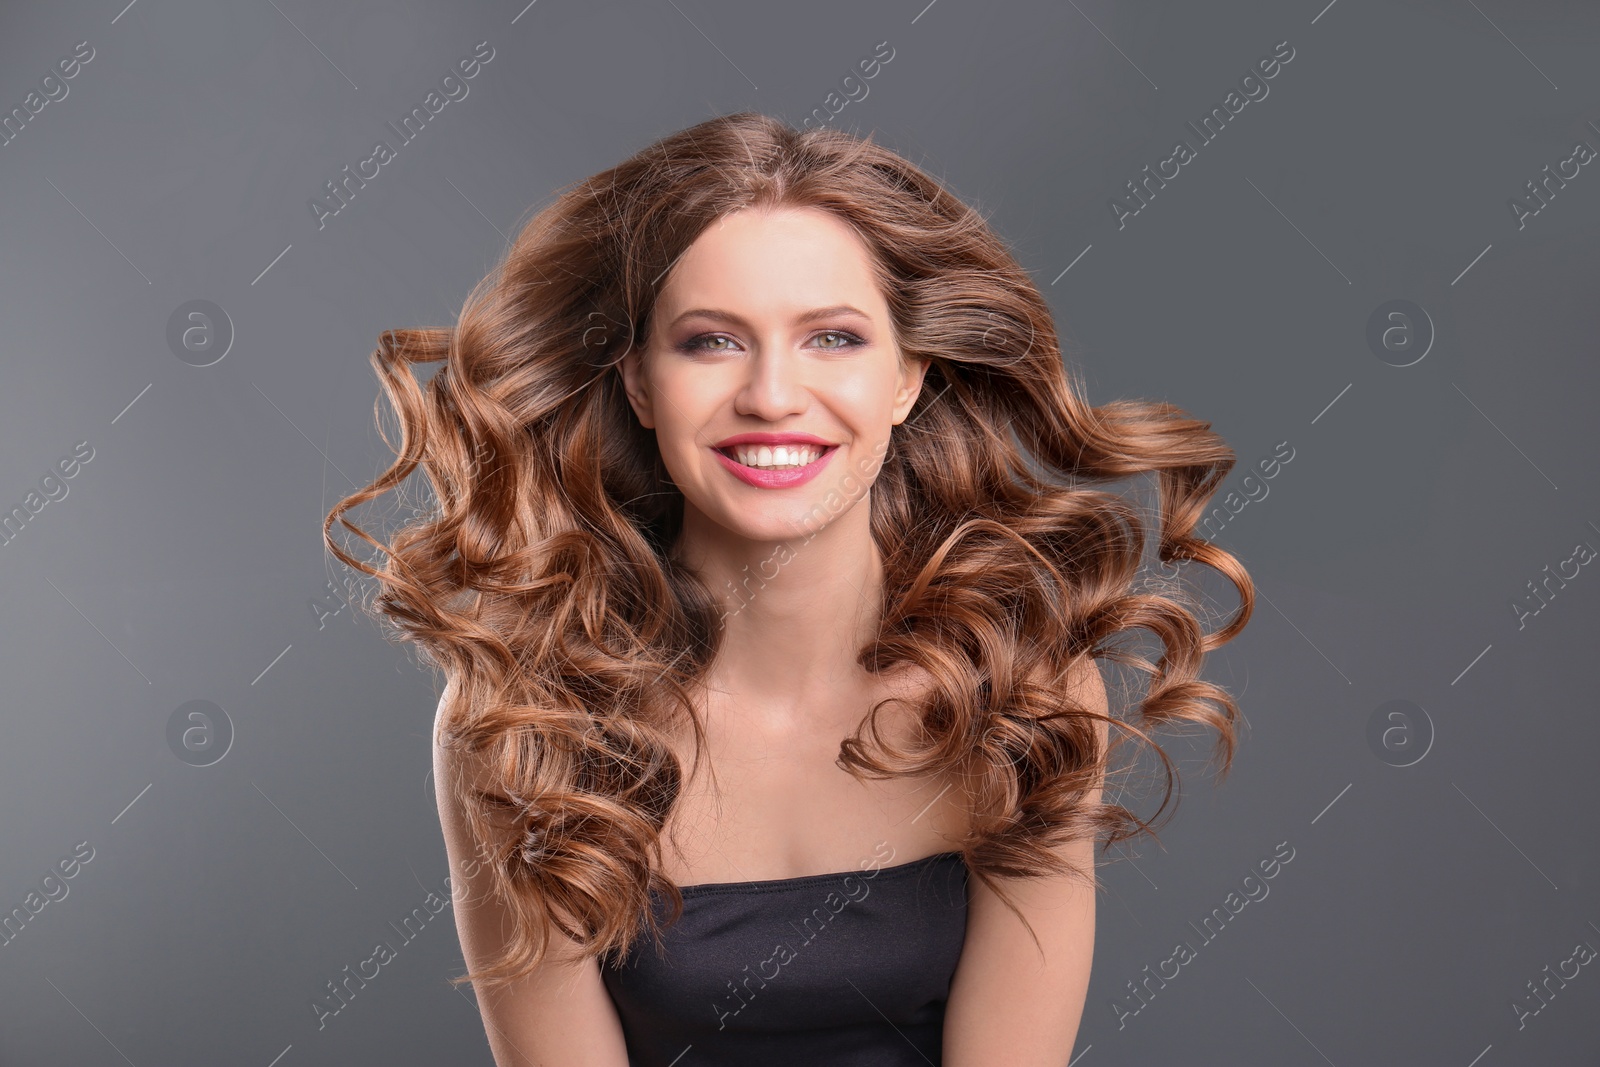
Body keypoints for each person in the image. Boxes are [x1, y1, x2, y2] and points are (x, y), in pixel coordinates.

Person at [324, 111, 1251, 1066]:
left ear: (907, 377)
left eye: (834, 338)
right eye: (712, 342)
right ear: (639, 382)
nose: (772, 394)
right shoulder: (524, 724)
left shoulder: (1025, 693)